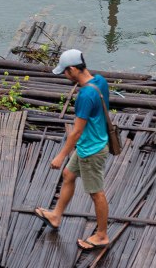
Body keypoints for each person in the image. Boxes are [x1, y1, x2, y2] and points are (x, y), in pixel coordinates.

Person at [34, 49, 111, 251]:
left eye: (66, 73)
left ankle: (102, 235)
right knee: (68, 175)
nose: (66, 77)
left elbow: (76, 132)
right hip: (93, 141)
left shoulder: (85, 96)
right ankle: (56, 215)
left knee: (96, 193)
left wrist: (60, 155)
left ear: (73, 69)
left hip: (91, 150)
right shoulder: (100, 81)